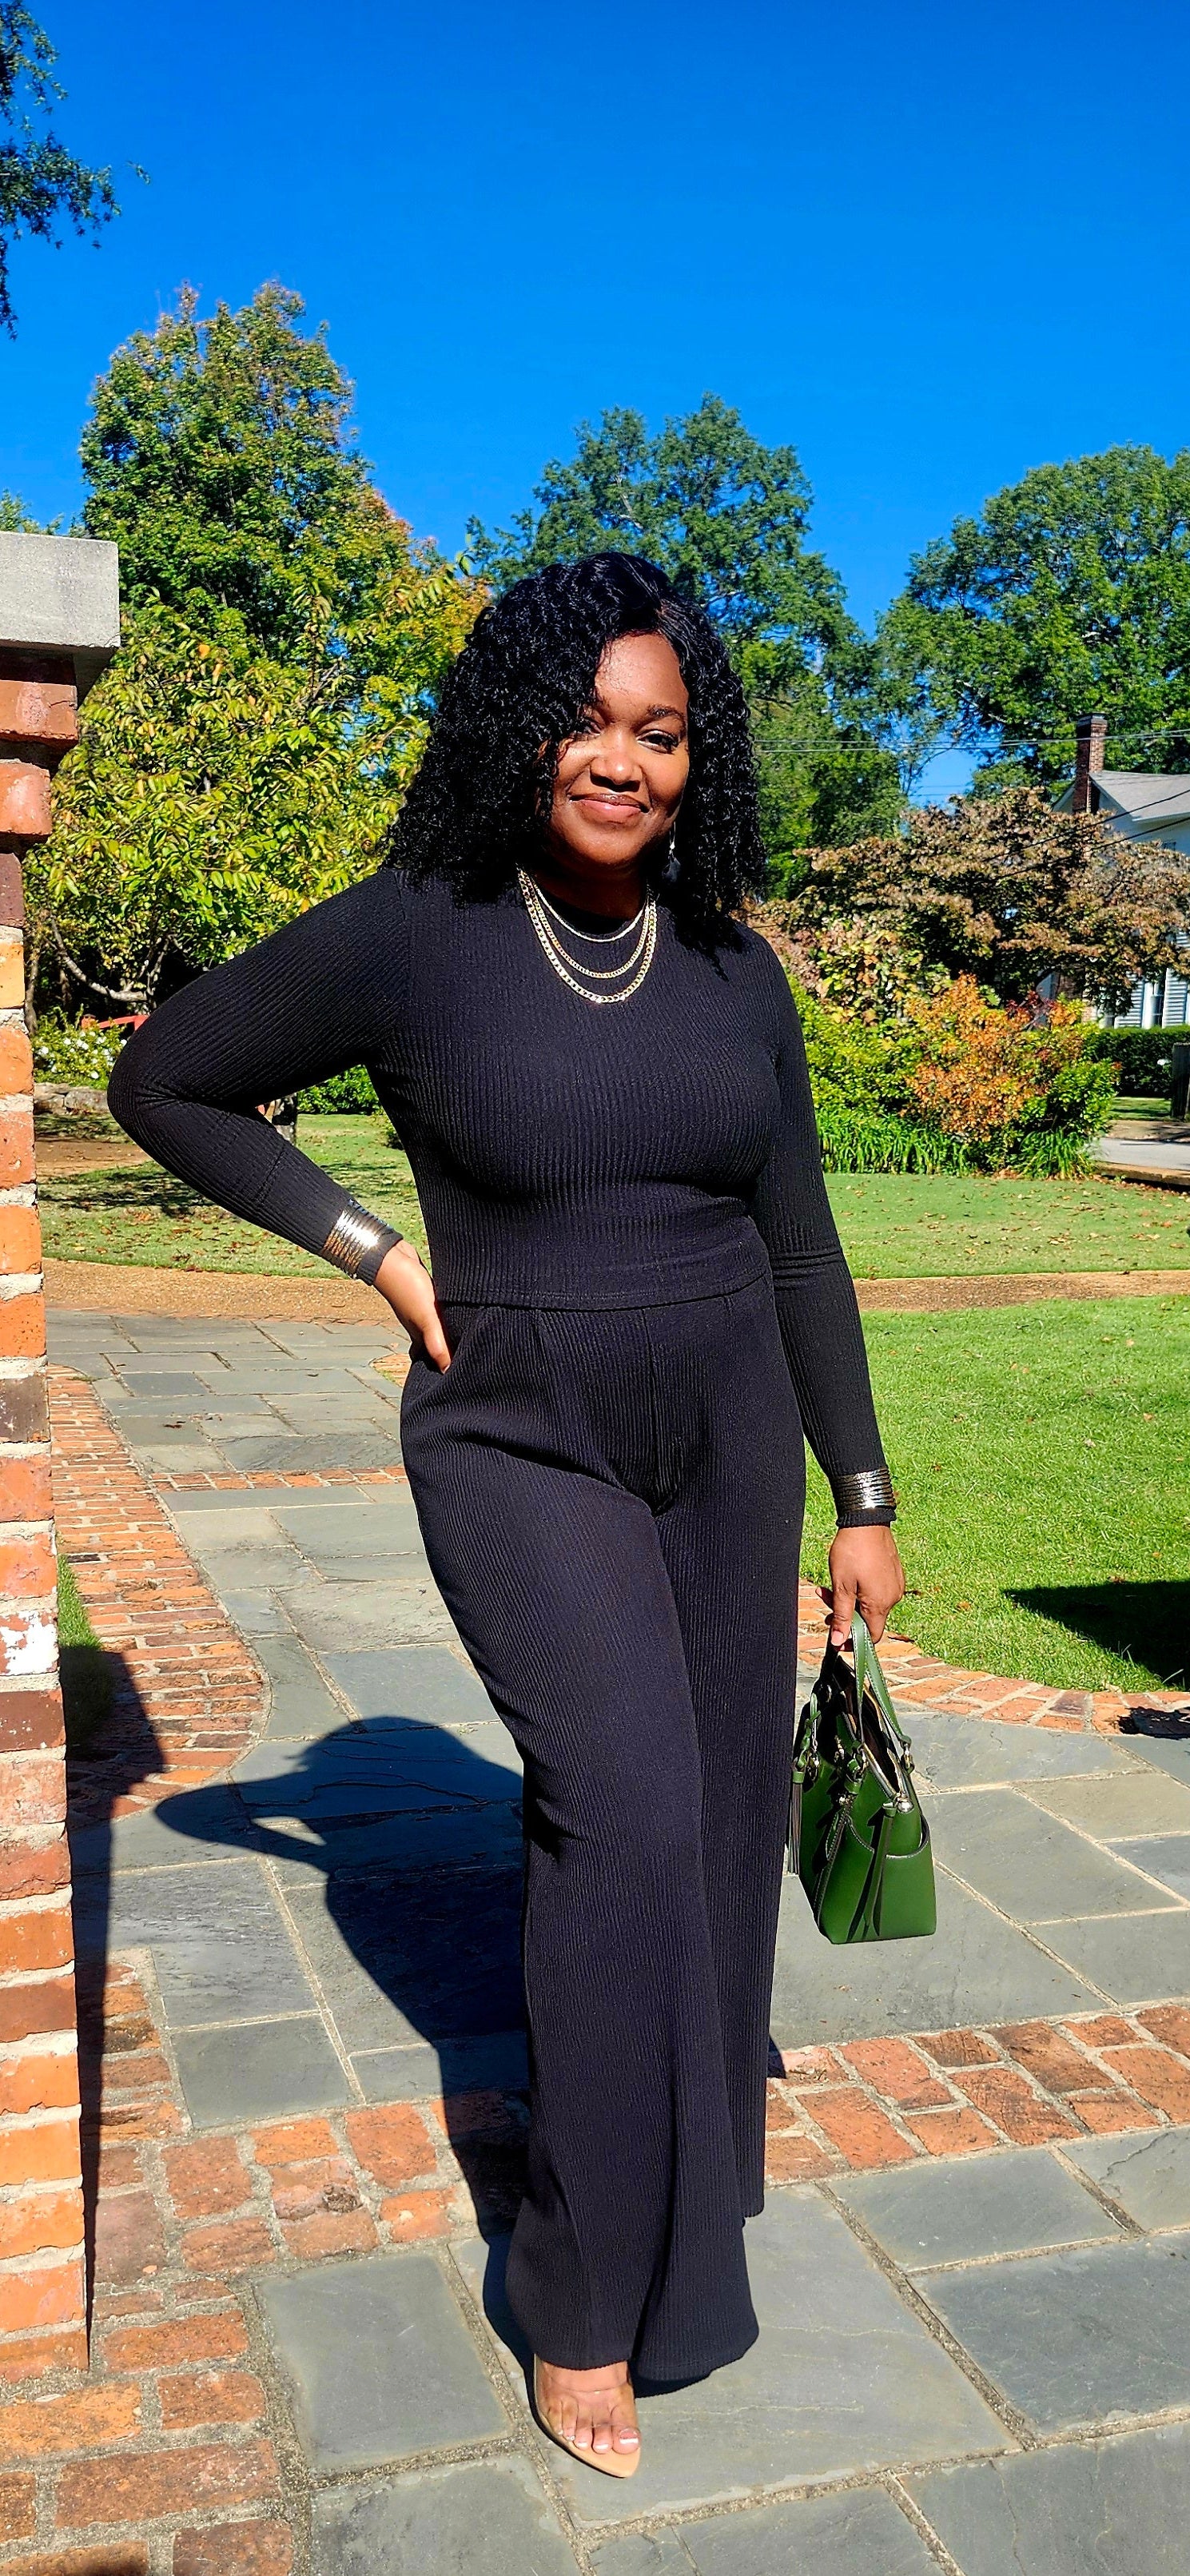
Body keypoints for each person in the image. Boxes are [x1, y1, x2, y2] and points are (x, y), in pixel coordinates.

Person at [109, 552, 904, 2478]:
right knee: (616, 1815)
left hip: (723, 1428)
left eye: (661, 729)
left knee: (713, 1817)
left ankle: (689, 2176)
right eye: (592, 718)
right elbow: (169, 1077)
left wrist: (859, 1489)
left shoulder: (731, 964)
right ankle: (572, 2295)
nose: (623, 761)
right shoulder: (421, 928)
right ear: (522, 717)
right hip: (518, 1431)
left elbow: (798, 1231)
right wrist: (372, 1250)